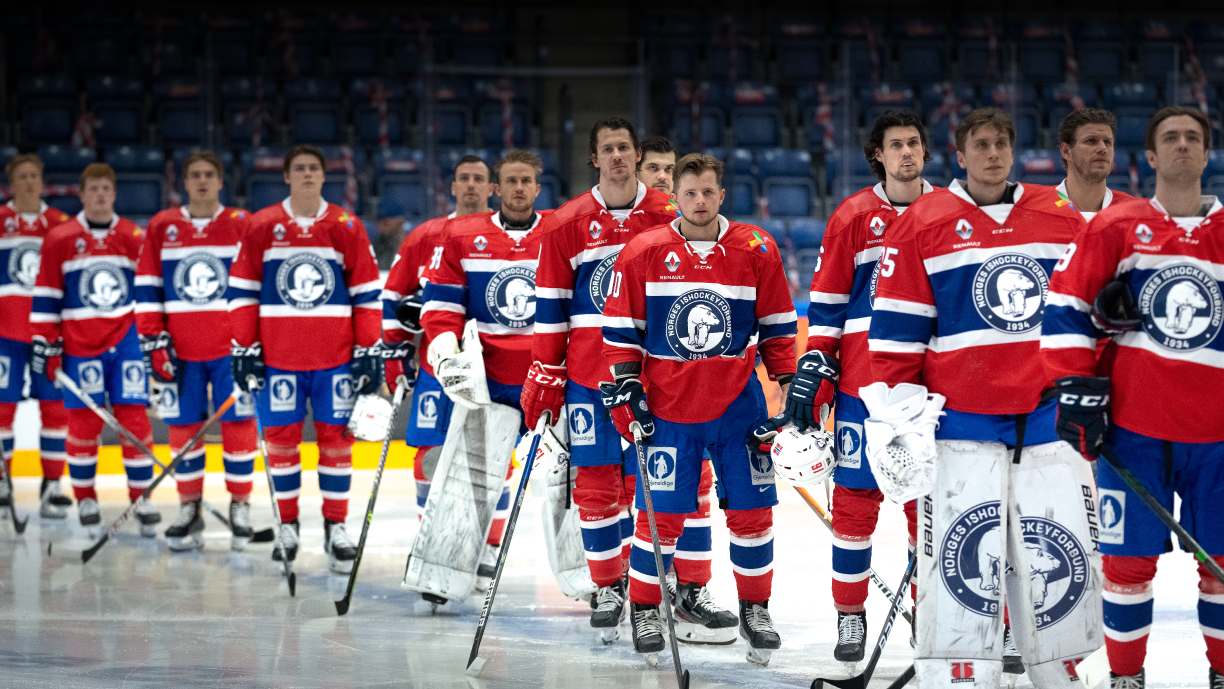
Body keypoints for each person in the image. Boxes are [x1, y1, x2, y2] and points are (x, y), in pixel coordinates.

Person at [866, 108, 1102, 689]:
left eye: (1002, 144)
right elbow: (897, 331)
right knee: (963, 556)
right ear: (960, 153)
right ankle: (958, 671)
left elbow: (1086, 312)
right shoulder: (923, 221)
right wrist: (902, 419)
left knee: (1058, 547)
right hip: (961, 423)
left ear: (1013, 151)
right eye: (982, 145)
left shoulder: (1057, 215)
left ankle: (1061, 666)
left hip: (1048, 418)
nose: (993, 154)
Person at [525, 118, 738, 641]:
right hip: (589, 378)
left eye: (625, 147)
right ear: (594, 158)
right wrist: (546, 374)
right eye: (607, 149)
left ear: (637, 154)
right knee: (596, 483)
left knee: (684, 483)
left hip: (662, 378)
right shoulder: (564, 223)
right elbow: (551, 308)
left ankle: (689, 587)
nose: (617, 156)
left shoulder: (668, 213)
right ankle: (609, 585)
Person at [1041, 106, 1224, 689]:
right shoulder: (1117, 229)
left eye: (1193, 137)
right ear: (1149, 156)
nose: (1182, 146)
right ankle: (1126, 677)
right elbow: (1065, 306)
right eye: (1170, 137)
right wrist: (1077, 389)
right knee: (1125, 566)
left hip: (1218, 437)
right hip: (1134, 428)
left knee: (1220, 568)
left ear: (1207, 152)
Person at [601, 153, 797, 664]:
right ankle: (645, 607)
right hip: (669, 409)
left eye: (709, 192)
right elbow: (622, 333)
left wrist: (791, 386)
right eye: (690, 193)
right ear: (676, 198)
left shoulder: (756, 247)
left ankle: (756, 608)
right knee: (658, 519)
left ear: (722, 195)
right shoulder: (644, 250)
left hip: (738, 406)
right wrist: (628, 388)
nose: (700, 201)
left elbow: (777, 326)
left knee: (753, 514)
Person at [790, 110, 934, 662]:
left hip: (922, 393)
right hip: (861, 388)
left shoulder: (943, 211)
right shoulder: (853, 215)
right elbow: (826, 303)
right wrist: (817, 367)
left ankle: (931, 613)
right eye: (896, 145)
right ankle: (851, 618)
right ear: (878, 154)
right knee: (854, 508)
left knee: (928, 511)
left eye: (914, 143)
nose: (906, 153)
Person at [226, 144, 382, 575]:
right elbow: (241, 292)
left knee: (337, 444)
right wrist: (244, 346)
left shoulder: (346, 225)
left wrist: (368, 348)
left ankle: (336, 528)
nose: (308, 174)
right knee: (280, 444)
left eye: (315, 168)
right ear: (288, 176)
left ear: (323, 175)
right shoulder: (262, 226)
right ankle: (288, 525)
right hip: (278, 359)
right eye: (300, 168)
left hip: (335, 360)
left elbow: (366, 294)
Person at [418, 149, 551, 580]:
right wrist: (446, 351)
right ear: (497, 188)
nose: (518, 188)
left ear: (537, 186)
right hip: (487, 380)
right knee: (472, 474)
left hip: (546, 378)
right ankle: (449, 567)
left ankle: (593, 577)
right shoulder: (462, 235)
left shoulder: (559, 233)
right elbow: (439, 308)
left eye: (525, 181)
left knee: (570, 478)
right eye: (510, 181)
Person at [136, 150, 258, 552]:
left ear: (221, 181)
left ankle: (240, 505)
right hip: (180, 350)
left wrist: (255, 339)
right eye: (194, 175)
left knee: (239, 425)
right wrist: (153, 339)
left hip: (231, 350)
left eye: (209, 174)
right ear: (183, 183)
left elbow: (257, 284)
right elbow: (148, 287)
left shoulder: (242, 224)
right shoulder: (162, 225)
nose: (202, 180)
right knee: (183, 429)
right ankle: (189, 508)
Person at [29, 163, 160, 533]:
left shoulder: (135, 235)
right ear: (82, 195)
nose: (100, 194)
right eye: (94, 189)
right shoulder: (60, 238)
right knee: (84, 424)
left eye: (106, 188)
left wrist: (153, 335)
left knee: (134, 419)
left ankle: (142, 499)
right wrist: (47, 342)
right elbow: (47, 293)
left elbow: (149, 291)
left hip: (127, 341)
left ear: (114, 194)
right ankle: (86, 498)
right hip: (79, 344)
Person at [633, 134, 729, 639]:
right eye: (657, 169)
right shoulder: (637, 238)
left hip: (696, 400)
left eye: (672, 170)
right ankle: (632, 592)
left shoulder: (694, 231)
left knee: (694, 491)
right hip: (644, 392)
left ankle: (689, 587)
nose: (665, 179)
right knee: (636, 496)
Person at [381, 155, 494, 517]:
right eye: (465, 178)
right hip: (436, 368)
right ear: (453, 187)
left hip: (493, 368)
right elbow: (394, 296)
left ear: (493, 188)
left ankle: (489, 544)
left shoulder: (509, 237)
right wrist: (395, 353)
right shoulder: (426, 236)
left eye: (479, 178)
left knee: (493, 453)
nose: (472, 184)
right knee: (430, 453)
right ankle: (427, 534)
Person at [0, 153, 72, 519]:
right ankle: (2, 481)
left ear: (42, 181)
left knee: (56, 410)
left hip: (48, 335)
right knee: (1, 409)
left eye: (34, 176)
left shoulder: (59, 225)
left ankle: (53, 485)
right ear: (11, 184)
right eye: (22, 176)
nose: (29, 182)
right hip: (4, 335)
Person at [1056, 108, 1136, 221]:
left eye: (1107, 142)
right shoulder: (1039, 208)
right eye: (1091, 141)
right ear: (1066, 151)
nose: (1103, 148)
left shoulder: (1133, 213)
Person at [371, 199, 407, 270]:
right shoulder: (375, 246)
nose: (380, 228)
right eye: (378, 223)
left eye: (385, 223)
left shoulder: (411, 245)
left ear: (399, 223)